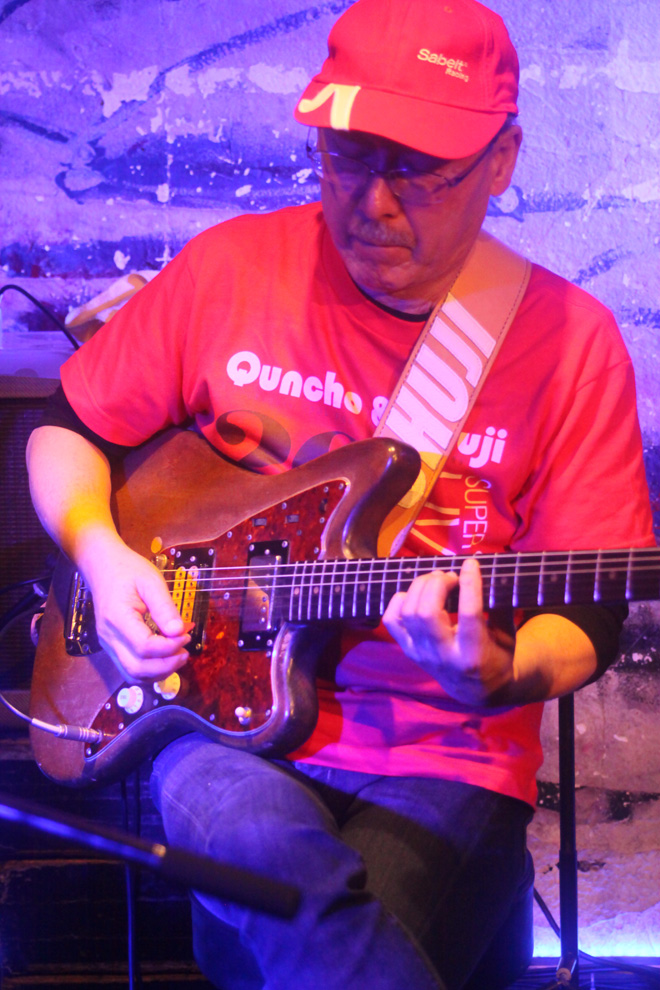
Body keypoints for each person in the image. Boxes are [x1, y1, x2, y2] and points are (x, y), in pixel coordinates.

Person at [27, 1, 654, 988]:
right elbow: (67, 426)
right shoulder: (233, 268)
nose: (375, 202)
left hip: (441, 748)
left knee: (279, 936)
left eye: (422, 170)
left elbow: (589, 619)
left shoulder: (569, 344)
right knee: (267, 862)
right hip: (212, 721)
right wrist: (102, 558)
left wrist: (494, 672)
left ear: (501, 160)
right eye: (348, 157)